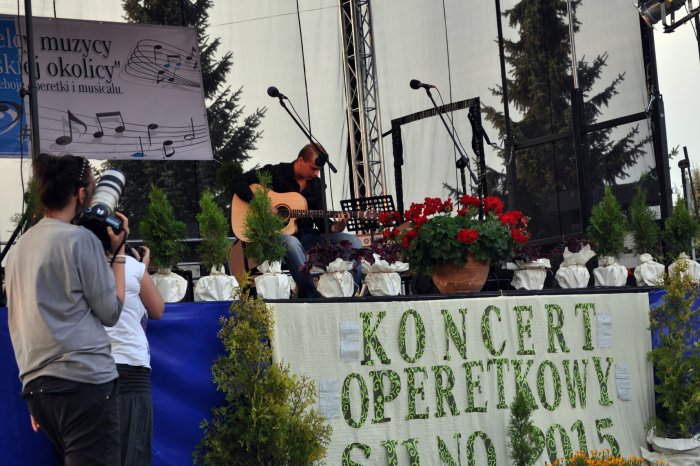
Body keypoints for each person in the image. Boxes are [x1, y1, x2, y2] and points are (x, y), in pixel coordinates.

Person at [5, 152, 129, 465]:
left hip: (38, 387)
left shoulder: (18, 250)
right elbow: (111, 312)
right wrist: (119, 254)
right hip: (84, 381)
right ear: (82, 194)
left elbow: (18, 322)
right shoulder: (80, 240)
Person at [231, 143, 362, 297]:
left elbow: (323, 224)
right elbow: (237, 181)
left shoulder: (316, 185)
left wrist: (338, 226)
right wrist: (260, 204)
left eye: (319, 170)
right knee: (291, 242)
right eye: (313, 168)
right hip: (274, 238)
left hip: (308, 238)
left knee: (353, 241)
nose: (316, 173)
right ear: (300, 160)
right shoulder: (276, 173)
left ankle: (350, 294)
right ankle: (310, 296)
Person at [105, 244, 164, 466]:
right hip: (130, 366)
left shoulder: (79, 265)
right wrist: (142, 269)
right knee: (134, 450)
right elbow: (157, 309)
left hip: (91, 368)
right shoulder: (133, 267)